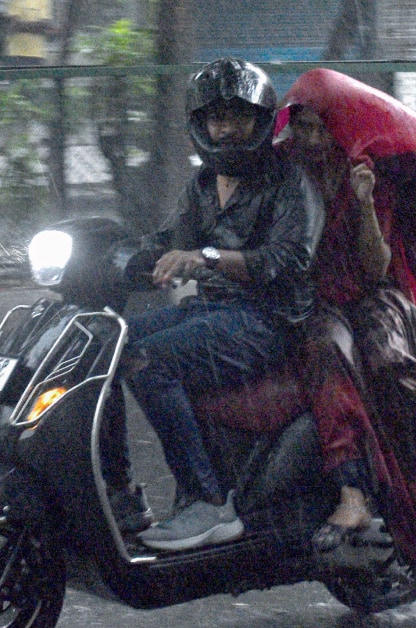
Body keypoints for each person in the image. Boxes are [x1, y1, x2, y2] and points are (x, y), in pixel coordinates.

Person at [112, 57, 324, 552]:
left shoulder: (290, 182)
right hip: (215, 311)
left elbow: (288, 261)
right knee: (106, 344)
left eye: (238, 118)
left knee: (149, 362)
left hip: (269, 320)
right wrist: (118, 256)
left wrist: (206, 256)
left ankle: (209, 502)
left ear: (260, 121)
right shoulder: (204, 185)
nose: (225, 130)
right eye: (216, 119)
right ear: (201, 124)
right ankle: (121, 493)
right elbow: (170, 240)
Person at [275, 68, 416, 566]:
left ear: (339, 128)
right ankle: (353, 492)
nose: (308, 137)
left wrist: (363, 206)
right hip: (315, 302)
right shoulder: (280, 169)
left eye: (320, 126)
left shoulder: (362, 173)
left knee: (390, 366)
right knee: (321, 354)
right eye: (300, 125)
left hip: (371, 296)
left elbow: (375, 265)